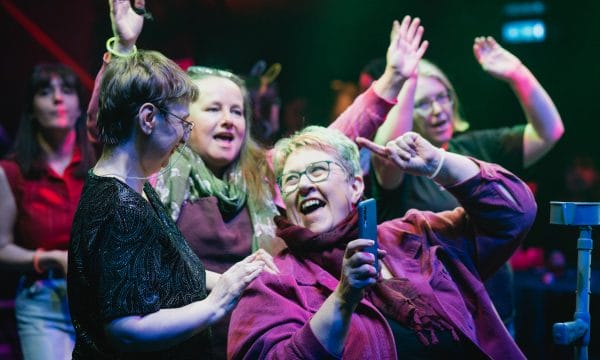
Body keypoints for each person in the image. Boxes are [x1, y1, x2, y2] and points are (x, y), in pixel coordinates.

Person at [227, 126, 536, 359]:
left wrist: (438, 164)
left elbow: (515, 213)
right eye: (291, 179)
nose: (305, 185)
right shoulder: (273, 283)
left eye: (318, 171)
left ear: (355, 185)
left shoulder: (416, 233)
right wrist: (344, 298)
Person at [67, 22, 277, 358]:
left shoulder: (133, 188)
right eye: (182, 122)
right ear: (148, 118)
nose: (183, 137)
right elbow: (126, 331)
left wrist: (230, 277)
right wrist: (215, 304)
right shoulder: (118, 206)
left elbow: (166, 269)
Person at [369, 36, 564, 333]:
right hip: (434, 327)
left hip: (496, 319)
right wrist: (406, 81)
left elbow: (549, 131)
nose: (438, 110)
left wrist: (518, 74)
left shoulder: (477, 146)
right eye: (423, 103)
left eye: (442, 96)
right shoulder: (402, 168)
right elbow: (390, 153)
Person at [0, 63, 95, 359]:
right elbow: (1, 247)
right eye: (45, 91)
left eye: (67, 90)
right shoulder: (12, 172)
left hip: (100, 296)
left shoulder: (99, 166)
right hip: (44, 299)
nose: (57, 99)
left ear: (80, 106)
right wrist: (48, 258)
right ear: (31, 108)